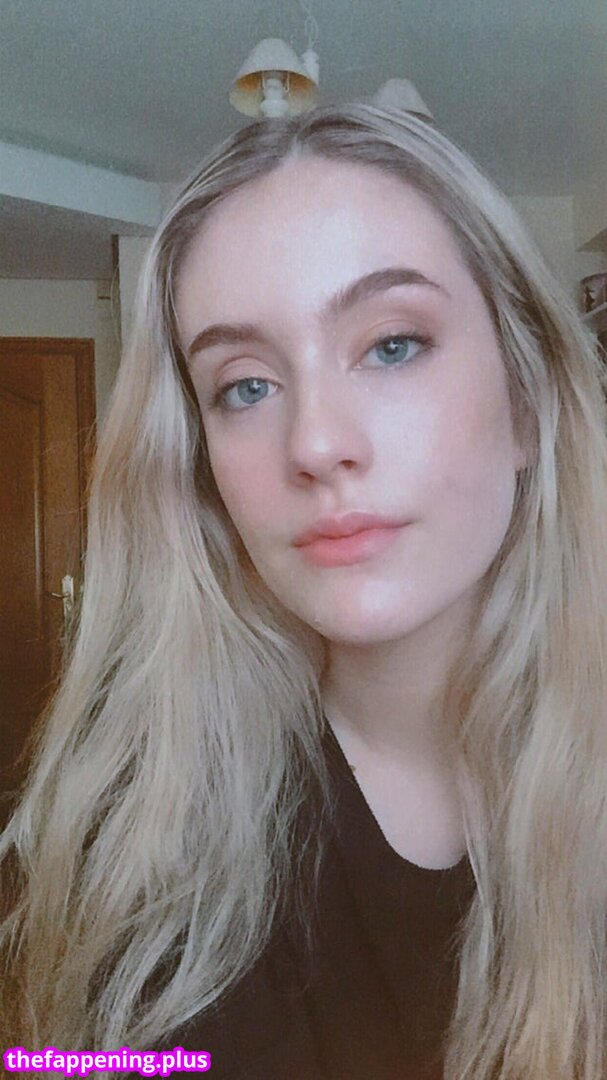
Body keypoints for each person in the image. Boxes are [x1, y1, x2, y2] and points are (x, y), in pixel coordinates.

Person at [1, 100, 607, 1080]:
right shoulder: (137, 835)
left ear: (527, 402)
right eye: (245, 386)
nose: (316, 443)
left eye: (392, 344)